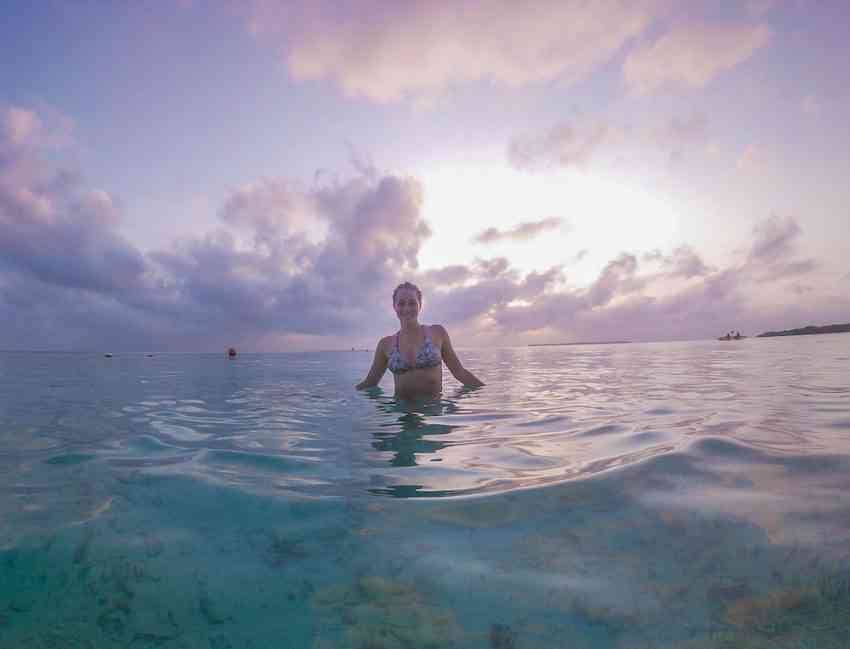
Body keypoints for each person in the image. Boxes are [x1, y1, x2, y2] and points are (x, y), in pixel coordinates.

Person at [355, 282, 484, 398]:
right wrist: (345, 398)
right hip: (402, 414)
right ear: (394, 306)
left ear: (420, 305)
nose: (406, 308)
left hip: (434, 413)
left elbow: (459, 372)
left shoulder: (437, 333)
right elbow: (370, 382)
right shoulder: (385, 344)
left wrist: (485, 392)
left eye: (412, 303)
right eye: (401, 303)